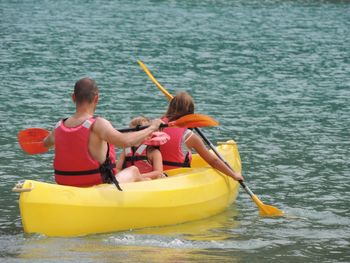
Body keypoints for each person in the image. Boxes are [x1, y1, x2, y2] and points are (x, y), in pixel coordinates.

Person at [42, 77, 163, 188]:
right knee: (133, 170)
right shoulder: (98, 124)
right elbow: (126, 141)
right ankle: (146, 185)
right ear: (96, 98)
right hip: (98, 185)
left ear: (73, 97)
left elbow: (45, 144)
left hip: (65, 183)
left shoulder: (58, 127)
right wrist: (152, 127)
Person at [159, 91, 244, 181]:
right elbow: (213, 161)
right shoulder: (189, 136)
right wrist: (234, 175)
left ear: (170, 107)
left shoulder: (156, 126)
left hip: (156, 174)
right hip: (177, 178)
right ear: (191, 112)